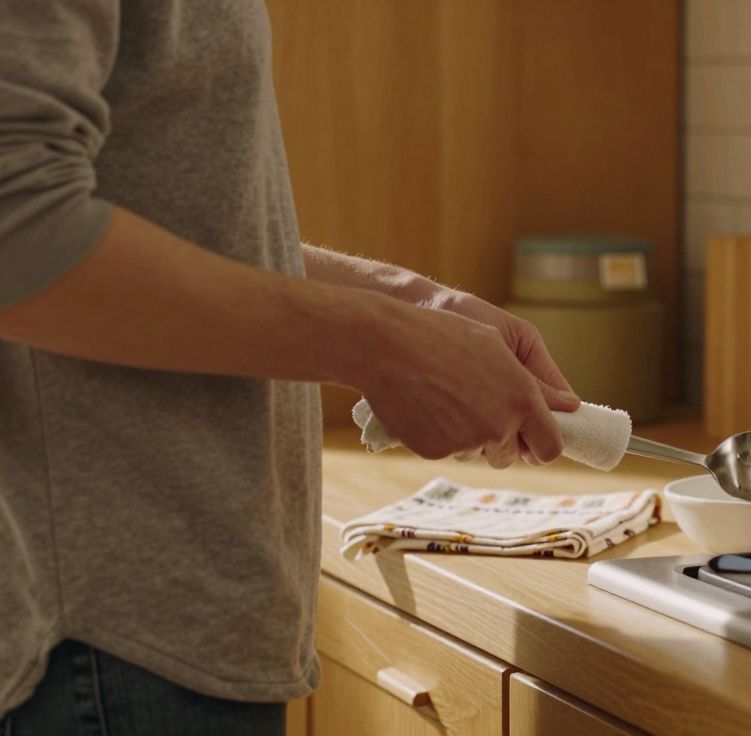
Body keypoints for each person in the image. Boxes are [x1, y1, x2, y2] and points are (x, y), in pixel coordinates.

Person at [0, 3, 579, 734]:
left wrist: (407, 302)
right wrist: (384, 345)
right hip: (111, 640)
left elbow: (164, 214)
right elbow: (17, 229)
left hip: (157, 623)